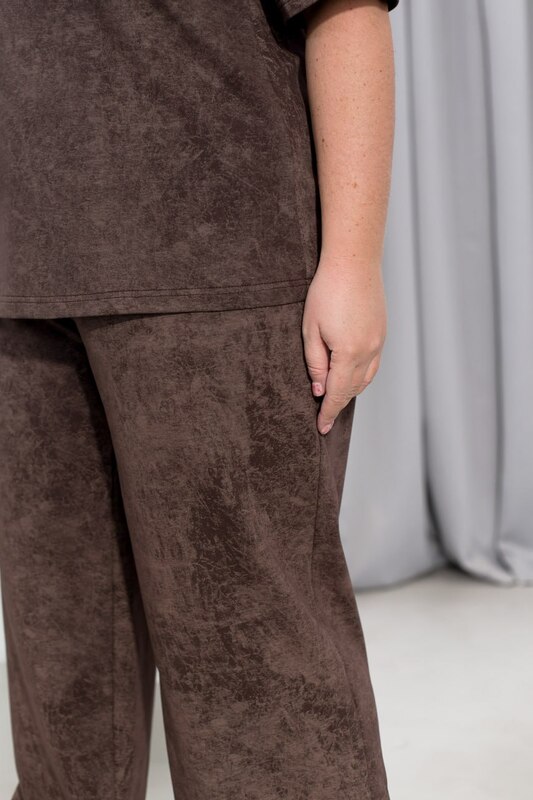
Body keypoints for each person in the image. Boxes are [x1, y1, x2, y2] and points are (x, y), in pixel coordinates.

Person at [0, 0, 398, 797]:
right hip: (21, 277)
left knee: (258, 676)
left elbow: (346, 10)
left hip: (219, 270)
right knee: (64, 679)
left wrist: (353, 261)